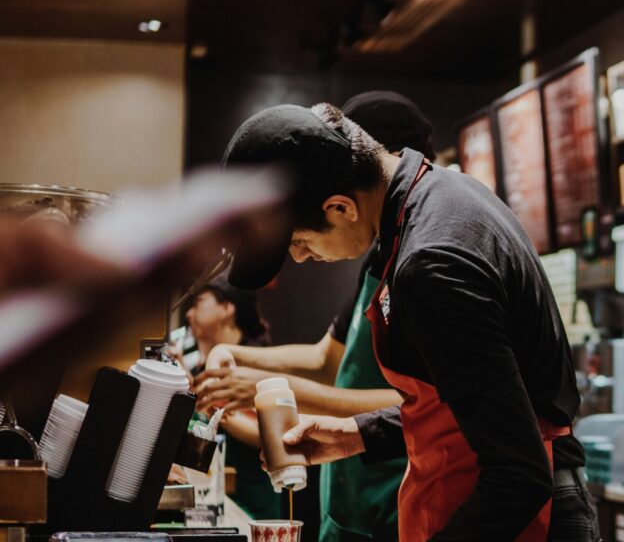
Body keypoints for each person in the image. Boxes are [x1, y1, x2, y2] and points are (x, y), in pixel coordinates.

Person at [221, 99, 600, 541]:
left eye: (300, 242)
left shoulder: (432, 262)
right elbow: (475, 407)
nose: (302, 258)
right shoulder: (440, 196)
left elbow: (519, 474)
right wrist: (358, 433)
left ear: (341, 208)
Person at [194, 91, 436, 542]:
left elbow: (426, 408)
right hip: (349, 496)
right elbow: (329, 359)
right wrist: (236, 355)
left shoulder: (426, 261)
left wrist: (274, 390)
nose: (300, 257)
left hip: (396, 493)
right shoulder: (377, 259)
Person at [183, 278, 281, 519]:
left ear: (227, 307)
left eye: (197, 303)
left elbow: (269, 434)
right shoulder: (198, 368)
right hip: (210, 503)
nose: (188, 314)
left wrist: (205, 402)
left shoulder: (256, 364)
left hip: (253, 507)